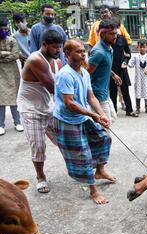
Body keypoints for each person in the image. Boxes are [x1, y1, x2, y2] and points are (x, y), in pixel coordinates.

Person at [54, 40, 115, 205]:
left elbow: (91, 97)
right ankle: (93, 190)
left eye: (83, 51)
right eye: (78, 51)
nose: (83, 54)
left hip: (81, 117)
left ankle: (100, 171)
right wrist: (93, 115)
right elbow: (70, 103)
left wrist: (102, 115)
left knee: (103, 138)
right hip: (67, 120)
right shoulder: (65, 74)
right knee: (84, 156)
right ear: (67, 54)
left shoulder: (84, 72)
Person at [17, 30, 63, 193]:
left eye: (60, 47)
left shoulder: (56, 62)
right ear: (44, 45)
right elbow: (54, 89)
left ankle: (77, 169)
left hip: (47, 107)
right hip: (30, 110)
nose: (59, 50)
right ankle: (40, 177)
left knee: (64, 140)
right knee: (38, 146)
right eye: (55, 47)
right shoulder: (36, 59)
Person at [87, 19, 121, 125]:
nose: (115, 36)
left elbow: (102, 66)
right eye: (111, 34)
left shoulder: (108, 47)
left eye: (116, 33)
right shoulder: (98, 52)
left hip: (105, 94)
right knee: (105, 127)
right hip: (98, 96)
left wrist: (113, 74)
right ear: (102, 34)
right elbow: (86, 74)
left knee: (112, 119)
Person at [0, 17, 23, 137]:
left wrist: (3, 57)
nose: (4, 31)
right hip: (0, 73)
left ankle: (17, 122)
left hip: (12, 72)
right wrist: (5, 53)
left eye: (5, 28)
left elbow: (15, 55)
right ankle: (1, 125)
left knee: (14, 98)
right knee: (1, 100)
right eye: (2, 29)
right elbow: (11, 54)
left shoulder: (12, 40)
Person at [109, 19, 135, 117]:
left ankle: (129, 110)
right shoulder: (106, 40)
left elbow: (128, 54)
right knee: (112, 92)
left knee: (125, 90)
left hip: (122, 69)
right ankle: (113, 112)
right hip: (111, 69)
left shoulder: (122, 39)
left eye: (117, 28)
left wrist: (125, 62)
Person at [128, 40, 147, 114]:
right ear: (137, 47)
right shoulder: (136, 57)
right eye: (140, 47)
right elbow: (130, 65)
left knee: (146, 92)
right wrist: (127, 59)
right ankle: (137, 108)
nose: (142, 49)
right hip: (138, 78)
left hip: (146, 78)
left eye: (144, 47)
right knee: (138, 92)